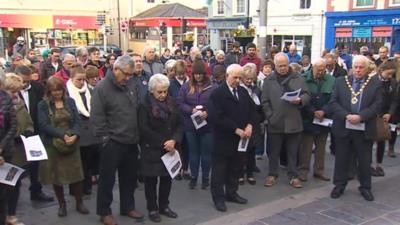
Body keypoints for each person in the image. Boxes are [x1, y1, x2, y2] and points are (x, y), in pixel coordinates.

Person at [90, 55, 143, 225]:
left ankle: (127, 206)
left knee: (129, 178)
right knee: (107, 179)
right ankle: (104, 211)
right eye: (126, 74)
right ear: (116, 69)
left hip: (131, 140)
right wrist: (105, 139)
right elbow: (97, 117)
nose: (128, 78)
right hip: (112, 142)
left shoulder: (130, 85)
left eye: (131, 75)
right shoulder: (102, 88)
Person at [330, 55, 383, 201]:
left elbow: (377, 105)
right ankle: (339, 185)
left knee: (364, 159)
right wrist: (346, 115)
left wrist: (361, 116)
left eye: (361, 67)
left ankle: (365, 187)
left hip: (364, 127)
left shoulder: (375, 83)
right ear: (352, 67)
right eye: (356, 67)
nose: (358, 70)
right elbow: (333, 102)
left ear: (367, 68)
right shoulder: (341, 82)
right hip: (344, 126)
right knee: (341, 158)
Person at [38, 77, 89, 217]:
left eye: (59, 90)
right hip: (53, 145)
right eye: (54, 90)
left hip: (72, 144)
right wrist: (62, 135)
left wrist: (74, 135)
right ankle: (62, 204)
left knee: (77, 175)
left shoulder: (70, 102)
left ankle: (79, 202)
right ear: (49, 91)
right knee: (57, 177)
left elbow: (77, 121)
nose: (57, 93)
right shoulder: (43, 105)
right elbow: (43, 125)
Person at [207, 64, 256, 212]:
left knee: (235, 168)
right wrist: (235, 129)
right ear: (227, 76)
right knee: (219, 171)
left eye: (240, 78)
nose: (237, 80)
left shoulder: (242, 92)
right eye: (235, 77)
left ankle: (232, 193)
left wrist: (250, 125)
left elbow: (253, 111)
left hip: (240, 140)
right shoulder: (217, 93)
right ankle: (218, 198)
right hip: (223, 139)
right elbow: (217, 117)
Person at [261, 53, 310, 188]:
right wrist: (270, 116)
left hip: (293, 121)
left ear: (289, 64)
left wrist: (300, 100)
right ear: (275, 66)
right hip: (275, 122)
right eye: (279, 66)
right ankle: (272, 174)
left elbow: (307, 94)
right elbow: (264, 101)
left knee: (293, 152)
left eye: (285, 65)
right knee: (274, 151)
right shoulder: (269, 80)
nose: (282, 68)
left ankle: (293, 176)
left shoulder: (297, 77)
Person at [138, 74, 183, 222]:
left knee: (166, 180)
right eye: (160, 92)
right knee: (151, 181)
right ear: (152, 91)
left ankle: (164, 206)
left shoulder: (172, 102)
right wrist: (165, 142)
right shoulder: (144, 105)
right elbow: (144, 129)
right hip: (152, 148)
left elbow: (179, 124)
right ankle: (152, 208)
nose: (163, 95)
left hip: (170, 147)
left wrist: (174, 140)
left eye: (165, 91)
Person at [14, 65, 54, 203]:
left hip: (34, 131)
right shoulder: (11, 91)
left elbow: (43, 106)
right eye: (22, 81)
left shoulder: (37, 88)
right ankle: (12, 195)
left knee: (35, 164)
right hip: (17, 135)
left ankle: (36, 191)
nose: (25, 84)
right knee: (16, 165)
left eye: (28, 81)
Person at [176, 60, 216, 190]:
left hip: (207, 126)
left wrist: (208, 112)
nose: (198, 76)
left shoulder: (212, 87)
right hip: (190, 126)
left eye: (200, 74)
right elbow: (180, 103)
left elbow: (217, 104)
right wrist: (191, 110)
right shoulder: (186, 86)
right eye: (195, 74)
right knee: (193, 153)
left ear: (205, 74)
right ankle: (193, 177)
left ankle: (205, 178)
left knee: (206, 153)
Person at [298, 59, 335, 182]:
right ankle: (303, 171)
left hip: (324, 119)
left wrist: (324, 111)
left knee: (321, 147)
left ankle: (319, 171)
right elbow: (302, 98)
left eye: (323, 69)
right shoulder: (303, 78)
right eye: (318, 69)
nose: (320, 72)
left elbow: (333, 99)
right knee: (306, 148)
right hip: (308, 118)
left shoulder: (331, 80)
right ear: (313, 67)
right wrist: (312, 112)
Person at [66, 66, 100, 195]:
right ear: (72, 79)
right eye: (78, 80)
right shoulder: (68, 92)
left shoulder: (88, 91)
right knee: (77, 162)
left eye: (83, 80)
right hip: (77, 129)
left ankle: (87, 185)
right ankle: (75, 188)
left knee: (88, 159)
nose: (81, 82)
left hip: (90, 128)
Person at [3, 73, 29, 225]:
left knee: (16, 182)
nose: (15, 94)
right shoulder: (4, 107)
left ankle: (11, 215)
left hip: (18, 151)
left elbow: (27, 120)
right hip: (5, 150)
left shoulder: (20, 103)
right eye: (12, 91)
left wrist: (28, 131)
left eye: (17, 91)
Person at [238, 63, 263, 185]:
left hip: (254, 123)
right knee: (241, 150)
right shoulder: (239, 89)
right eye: (246, 78)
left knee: (252, 149)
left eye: (251, 79)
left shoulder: (256, 89)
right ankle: (240, 173)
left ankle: (250, 172)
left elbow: (260, 107)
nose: (249, 81)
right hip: (242, 123)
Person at [373, 59, 398, 175]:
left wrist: (390, 113)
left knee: (381, 140)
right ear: (381, 69)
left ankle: (379, 164)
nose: (389, 76)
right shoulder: (372, 80)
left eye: (391, 74)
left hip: (385, 115)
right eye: (388, 73)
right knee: (368, 141)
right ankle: (367, 165)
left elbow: (395, 100)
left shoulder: (393, 83)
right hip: (372, 115)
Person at [0, 71, 17, 225]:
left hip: (6, 151)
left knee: (4, 191)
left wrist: (1, 147)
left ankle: (6, 217)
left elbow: (12, 125)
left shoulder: (6, 98)